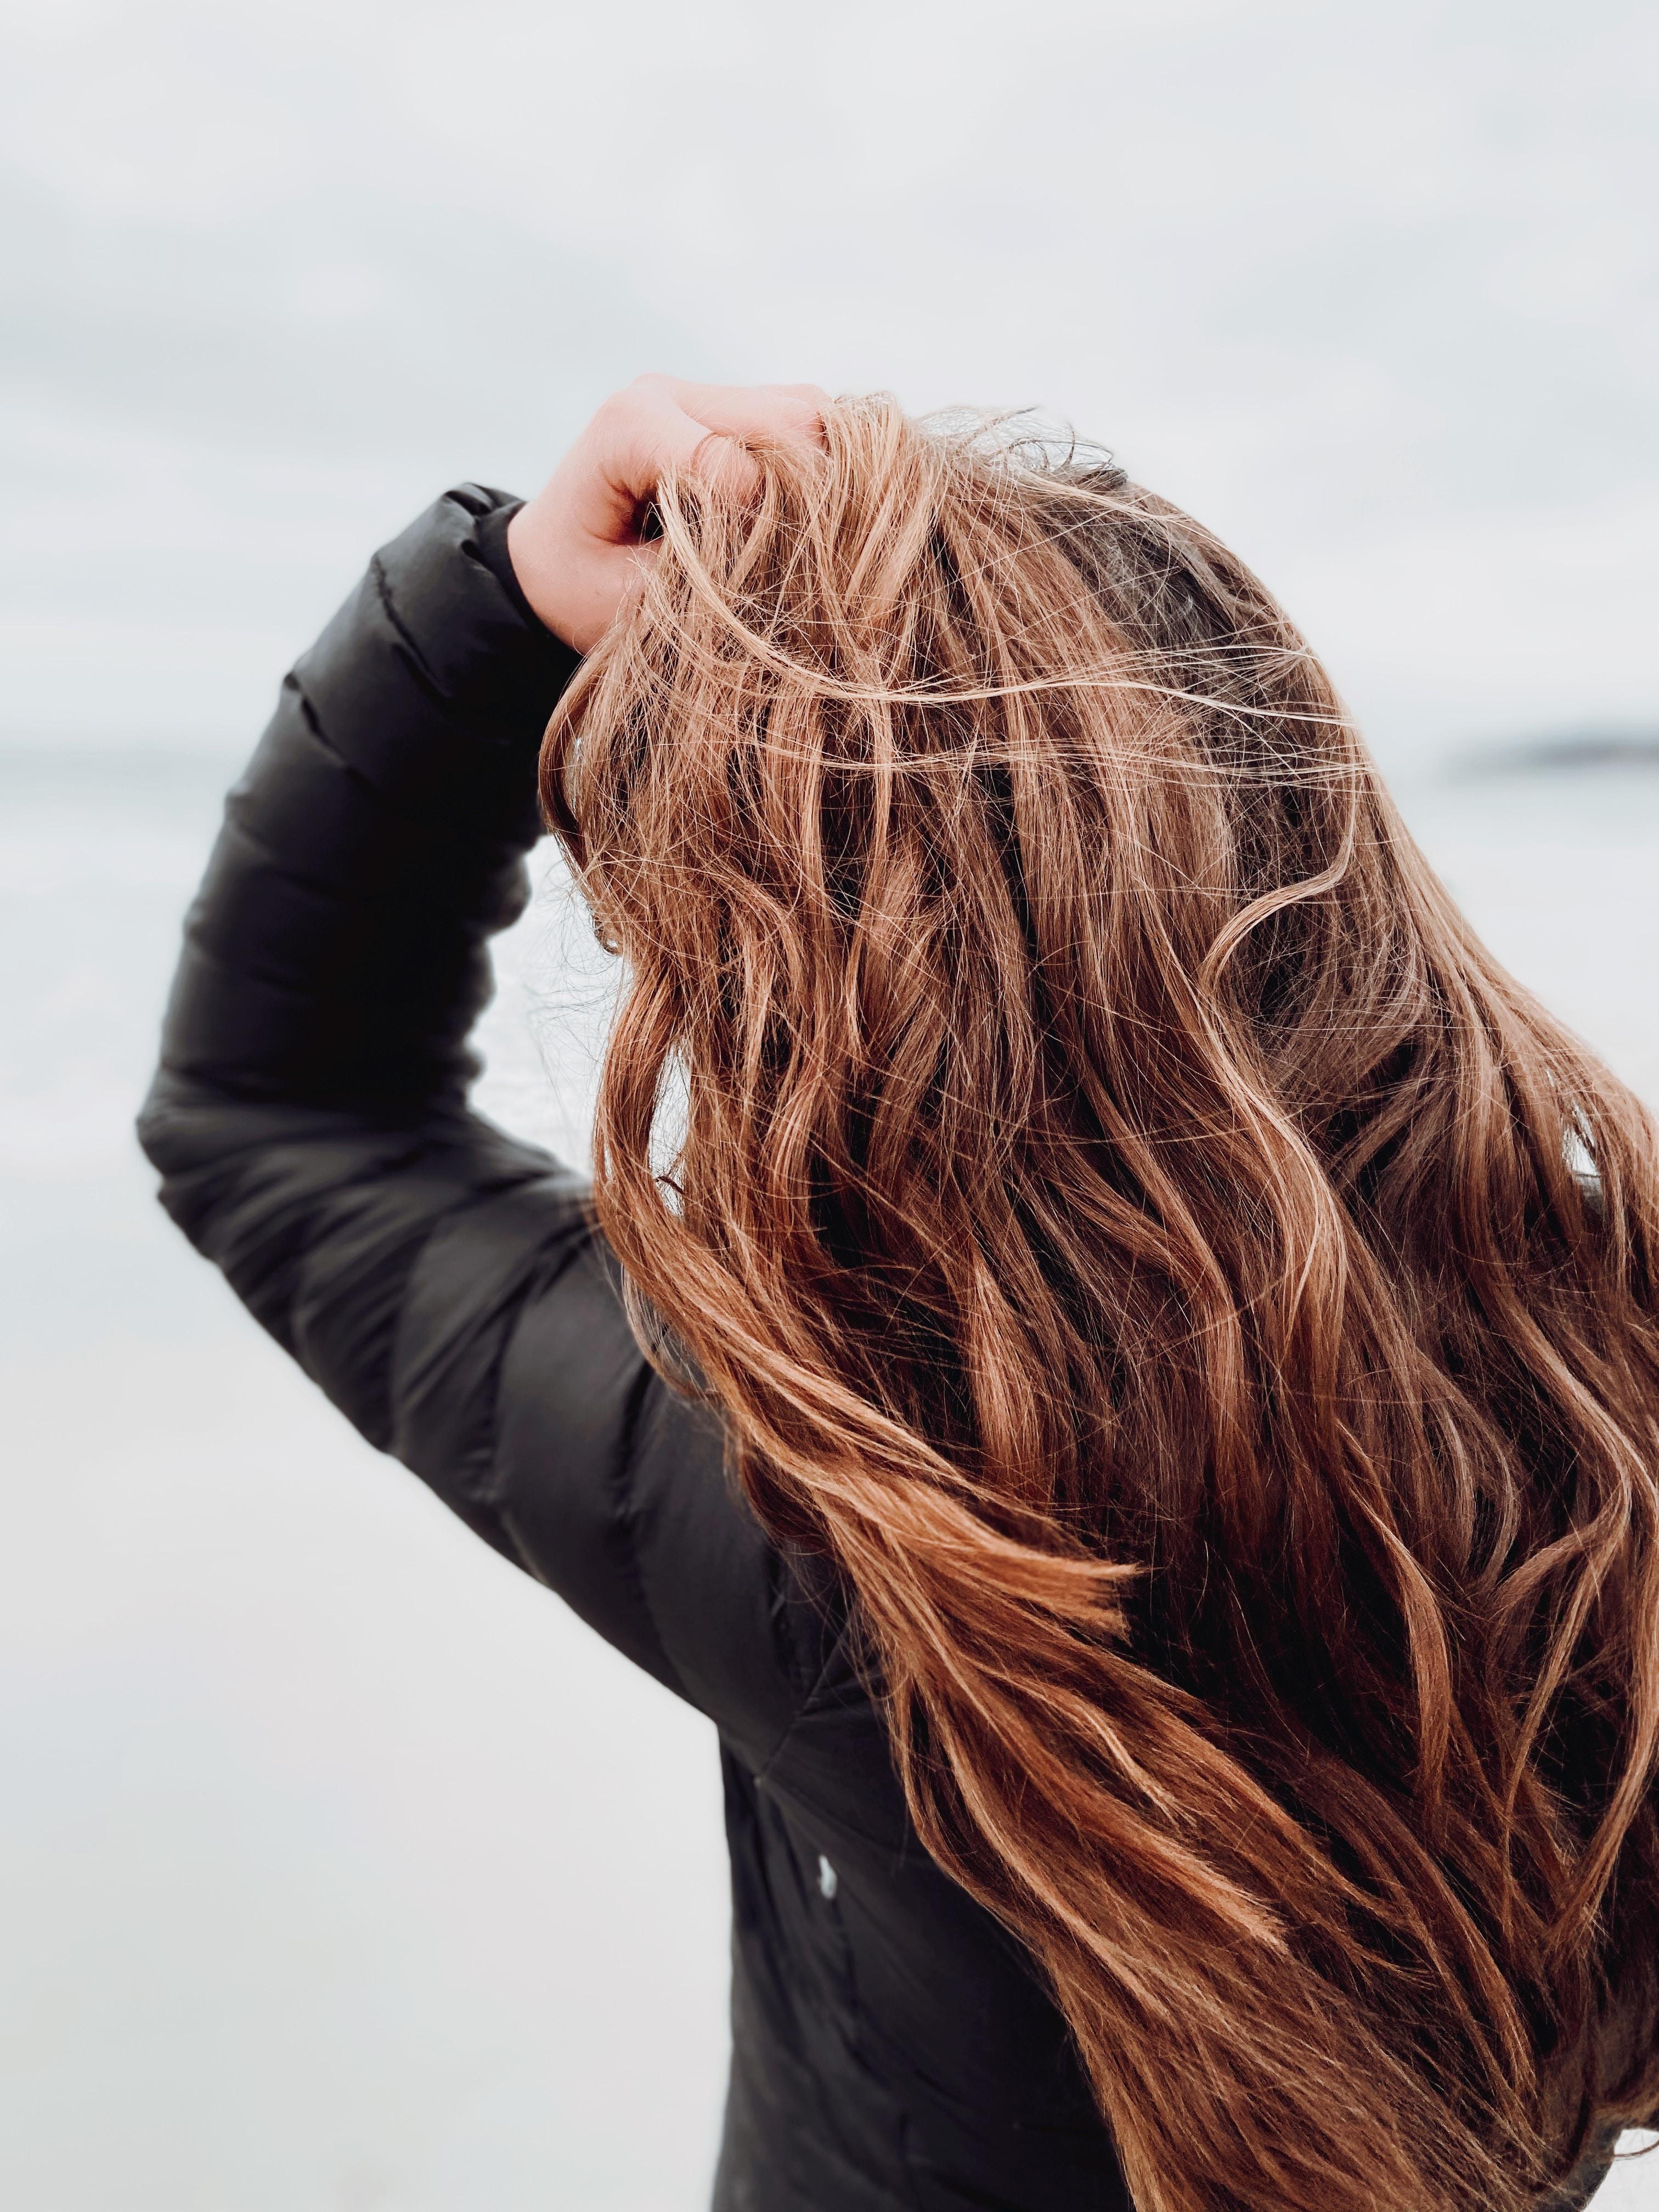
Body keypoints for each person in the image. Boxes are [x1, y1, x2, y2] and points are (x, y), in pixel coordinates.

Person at [139, 376, 1659, 2212]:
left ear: (793, 1009)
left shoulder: (844, 1537)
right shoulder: (1624, 1400)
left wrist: (499, 609)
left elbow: (274, 1114)